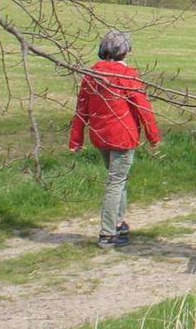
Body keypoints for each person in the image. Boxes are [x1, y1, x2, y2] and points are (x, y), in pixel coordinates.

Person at [68, 30, 161, 249]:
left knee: (119, 180)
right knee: (115, 182)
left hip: (100, 135)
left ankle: (119, 223)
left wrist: (76, 139)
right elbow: (143, 107)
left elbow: (81, 109)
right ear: (125, 50)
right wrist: (153, 136)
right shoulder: (127, 76)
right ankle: (108, 232)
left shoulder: (91, 75)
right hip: (122, 136)